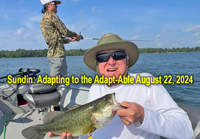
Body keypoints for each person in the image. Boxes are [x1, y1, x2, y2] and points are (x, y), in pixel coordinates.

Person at [49, 33, 193, 139]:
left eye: (118, 55)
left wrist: (143, 116)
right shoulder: (96, 87)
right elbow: (90, 127)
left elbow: (185, 130)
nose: (111, 62)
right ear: (98, 65)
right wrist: (75, 135)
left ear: (127, 61)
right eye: (103, 57)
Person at [40, 0, 81, 111]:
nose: (57, 6)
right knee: (57, 83)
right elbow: (64, 31)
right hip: (58, 56)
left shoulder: (43, 19)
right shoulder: (52, 16)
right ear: (48, 5)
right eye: (54, 4)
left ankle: (53, 105)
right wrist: (76, 36)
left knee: (56, 83)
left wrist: (70, 40)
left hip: (52, 55)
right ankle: (55, 108)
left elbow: (56, 39)